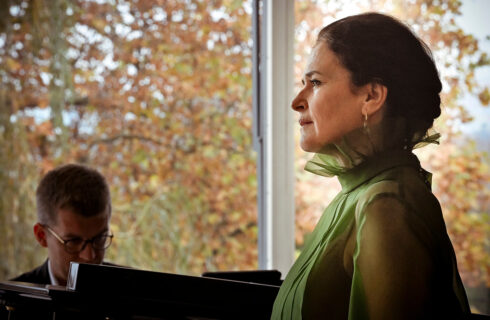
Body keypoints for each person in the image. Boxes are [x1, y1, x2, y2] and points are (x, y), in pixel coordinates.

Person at [271, 12, 470, 320]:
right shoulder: (360, 195)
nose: (297, 100)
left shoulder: (386, 206)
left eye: (316, 82)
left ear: (372, 96)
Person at [11, 163, 114, 286]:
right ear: (42, 236)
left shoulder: (138, 294)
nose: (90, 256)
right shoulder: (8, 299)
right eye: (74, 241)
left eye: (100, 238)